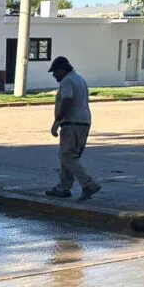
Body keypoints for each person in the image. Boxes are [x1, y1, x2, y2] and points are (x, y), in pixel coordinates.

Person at [46, 56, 101, 200]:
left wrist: (56, 122)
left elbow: (67, 100)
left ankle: (88, 184)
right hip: (83, 122)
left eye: (55, 72)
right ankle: (63, 187)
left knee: (67, 156)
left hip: (72, 123)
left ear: (63, 70)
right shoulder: (79, 79)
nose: (54, 76)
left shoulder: (67, 81)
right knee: (69, 156)